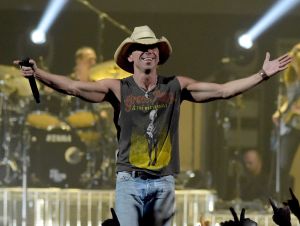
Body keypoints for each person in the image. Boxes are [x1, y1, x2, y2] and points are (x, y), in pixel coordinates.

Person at [15, 25, 291, 226]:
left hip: (163, 183)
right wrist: (38, 73)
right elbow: (73, 87)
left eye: (152, 48)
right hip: (129, 182)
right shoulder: (118, 88)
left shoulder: (175, 86)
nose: (147, 52)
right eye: (140, 48)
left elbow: (222, 90)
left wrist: (261, 75)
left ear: (158, 56)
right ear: (131, 57)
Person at [272, 42, 300, 200]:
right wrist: (280, 111)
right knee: (282, 164)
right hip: (291, 125)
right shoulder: (291, 76)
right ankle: (281, 199)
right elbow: (289, 100)